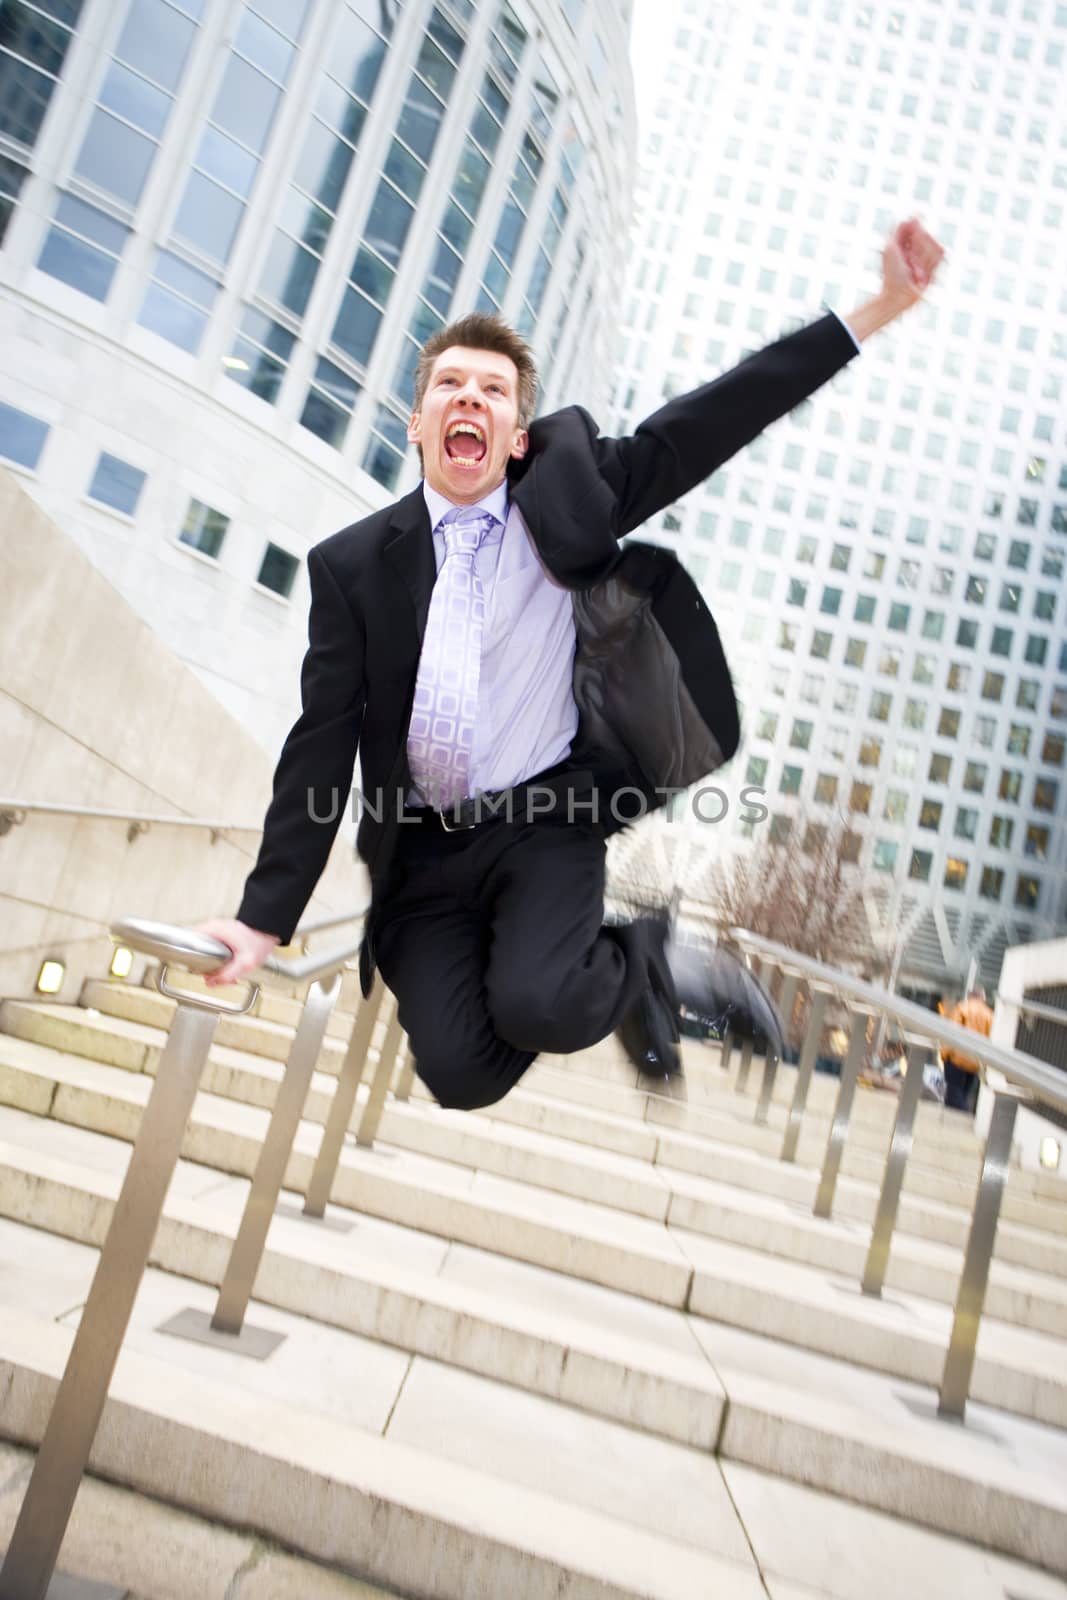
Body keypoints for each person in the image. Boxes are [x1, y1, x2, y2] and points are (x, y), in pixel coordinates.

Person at [199, 217, 944, 1112]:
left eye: (493, 390)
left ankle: (643, 961)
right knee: (458, 1073)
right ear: (418, 421)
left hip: (545, 820)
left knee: (539, 1001)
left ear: (518, 435)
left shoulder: (568, 492)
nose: (469, 399)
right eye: (448, 385)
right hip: (425, 852)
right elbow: (319, 742)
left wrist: (877, 309)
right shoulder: (351, 566)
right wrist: (262, 918)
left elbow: (711, 417)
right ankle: (595, 969)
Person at [940, 984, 994, 1114]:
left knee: (953, 1093)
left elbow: (952, 1033)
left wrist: (944, 1054)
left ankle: (963, 1113)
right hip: (975, 1061)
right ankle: (955, 1119)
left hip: (957, 1058)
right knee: (963, 1093)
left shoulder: (962, 1008)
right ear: (982, 998)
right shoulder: (990, 1015)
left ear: (970, 996)